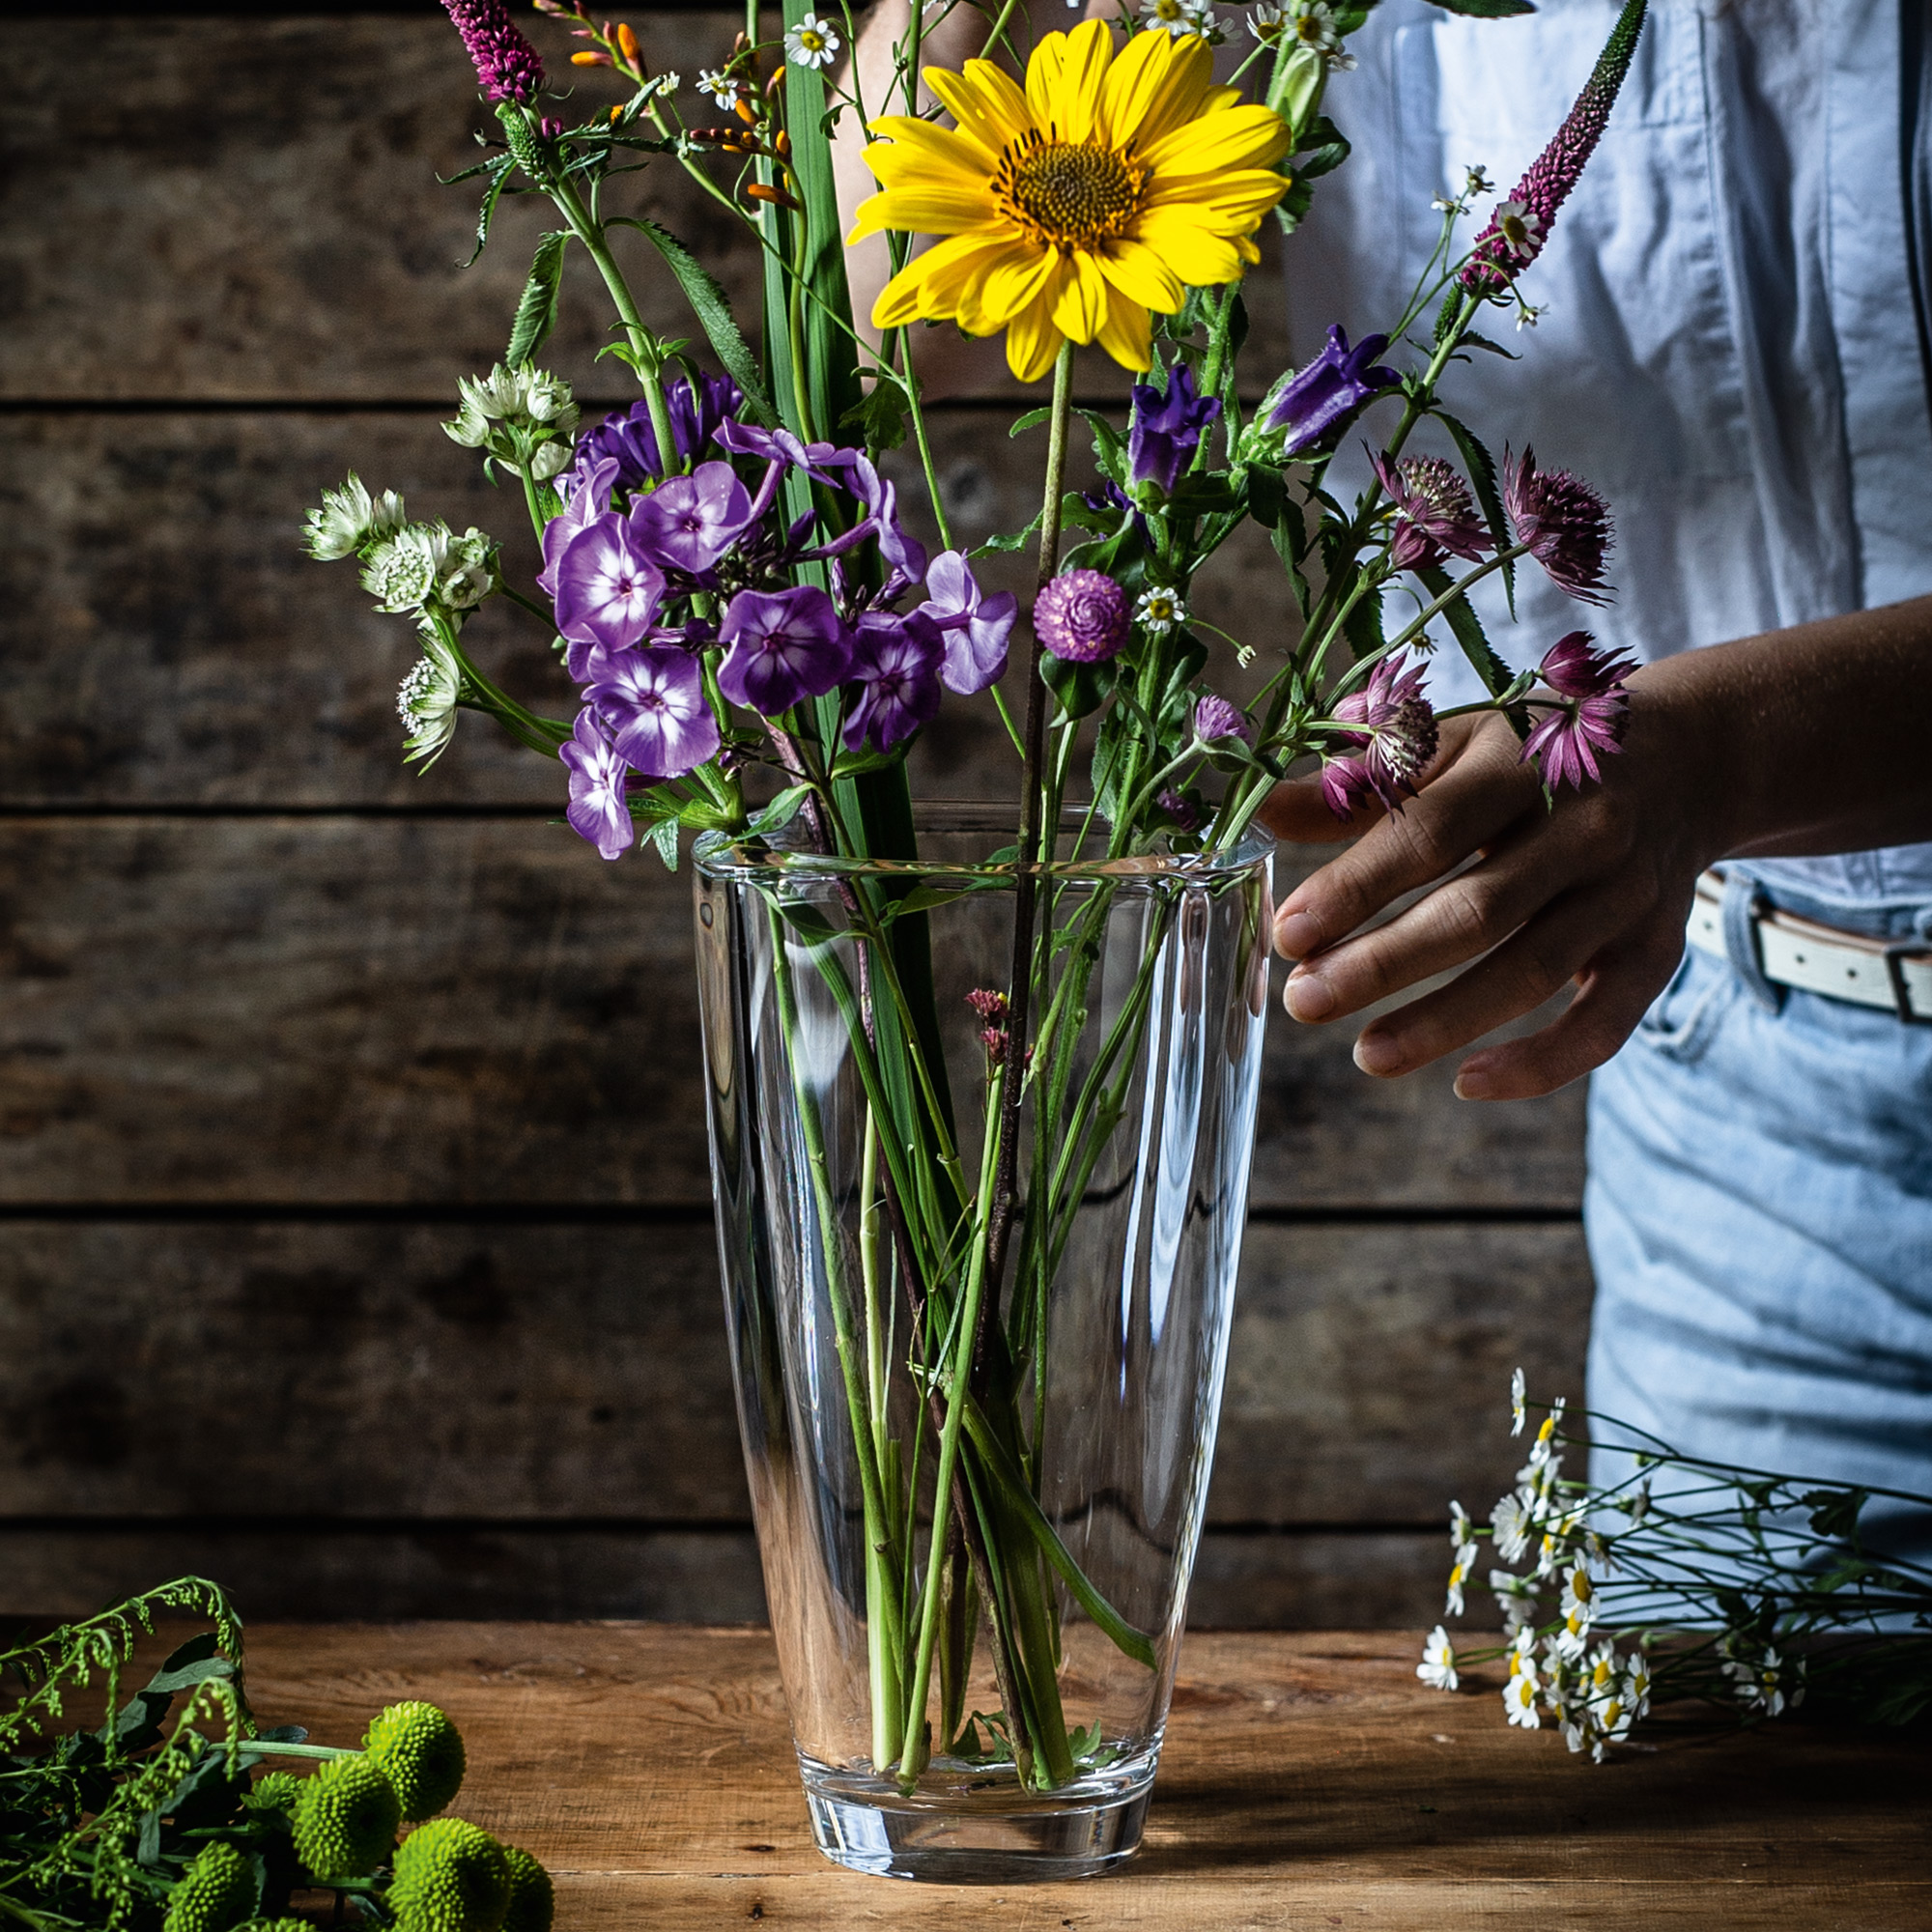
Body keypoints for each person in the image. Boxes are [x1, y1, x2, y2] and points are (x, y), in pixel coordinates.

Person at [843, 0, 1932, 1550]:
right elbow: (893, 288)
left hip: (1713, 1034)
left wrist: (1726, 752)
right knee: (1752, 1785)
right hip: (1750, 1158)